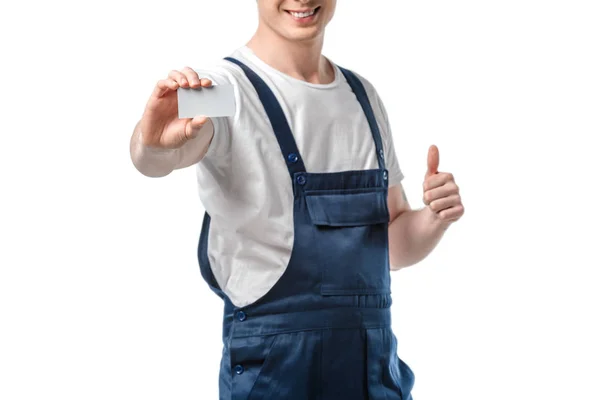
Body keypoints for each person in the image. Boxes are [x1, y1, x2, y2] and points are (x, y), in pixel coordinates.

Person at [129, 0, 464, 398]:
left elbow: (391, 245)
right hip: (276, 372)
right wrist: (151, 142)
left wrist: (434, 218)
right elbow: (159, 157)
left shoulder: (363, 98)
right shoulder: (219, 89)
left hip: (372, 372)